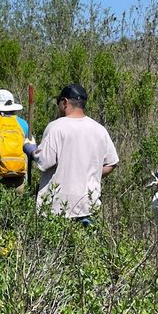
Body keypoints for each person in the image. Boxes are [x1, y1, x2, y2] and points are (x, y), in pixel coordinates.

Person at [23, 83, 118, 223]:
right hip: (88, 205)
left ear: (65, 103)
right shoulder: (99, 130)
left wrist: (31, 150)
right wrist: (91, 174)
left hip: (57, 207)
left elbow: (44, 161)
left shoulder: (56, 127)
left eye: (58, 102)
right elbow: (112, 163)